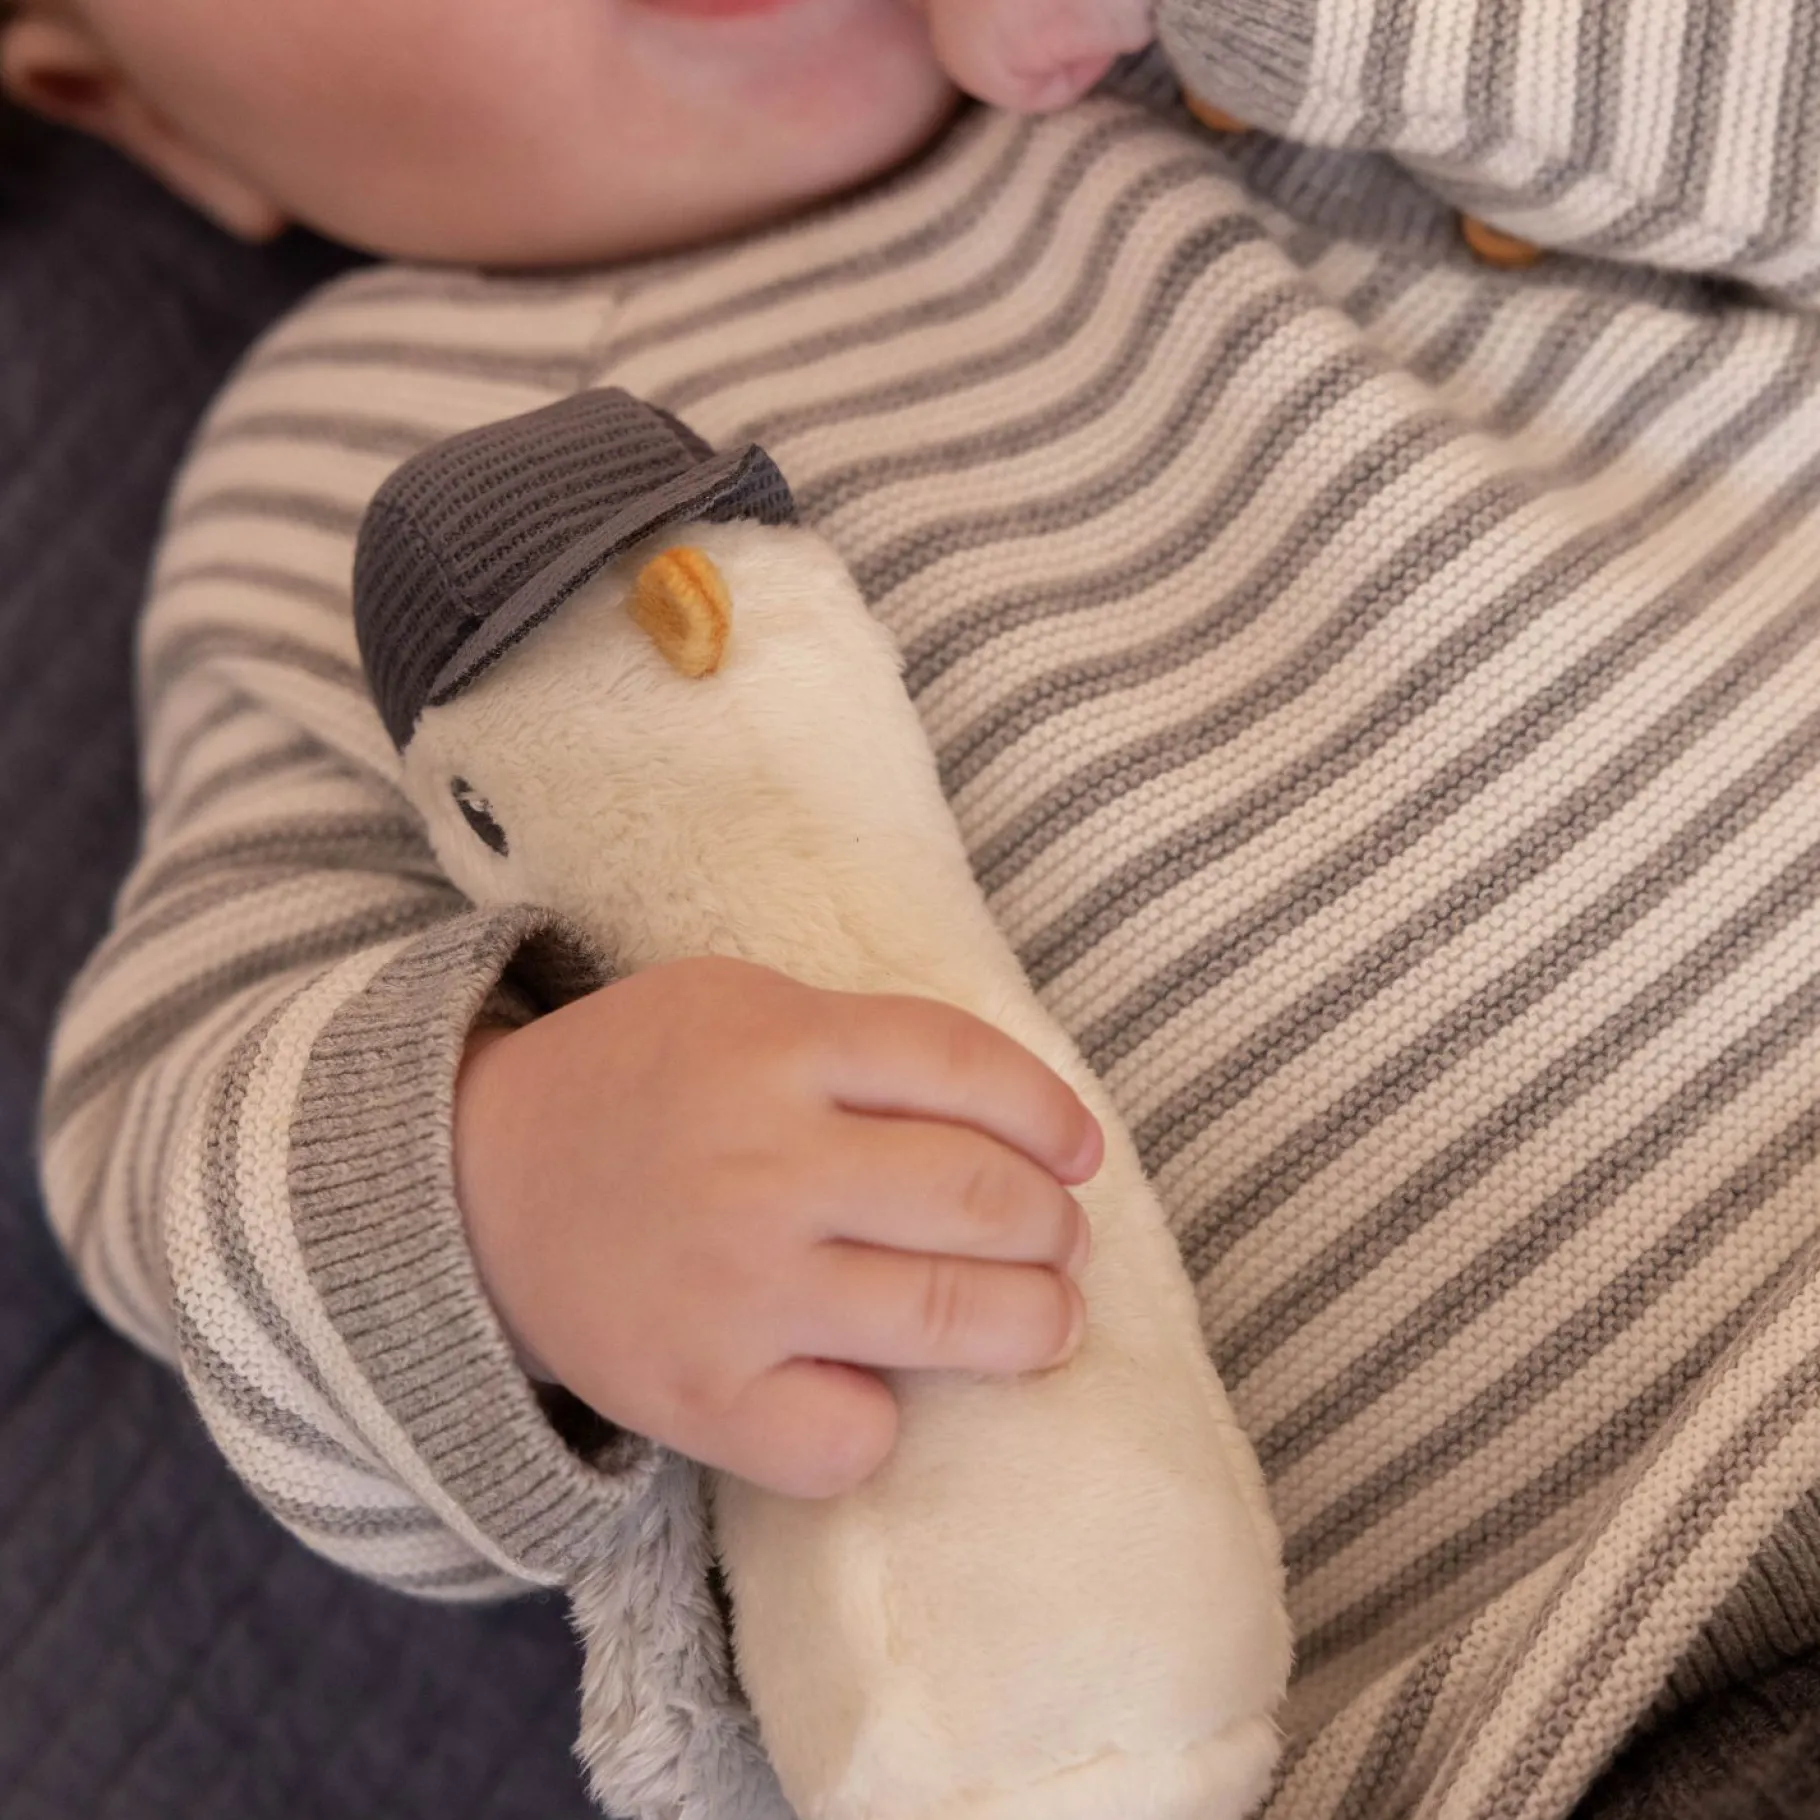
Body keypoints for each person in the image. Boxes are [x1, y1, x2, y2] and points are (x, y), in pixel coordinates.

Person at [8, 0, 1820, 1816]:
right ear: (138, 108)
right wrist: (508, 1188)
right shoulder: (358, 467)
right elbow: (177, 1121)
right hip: (1530, 1711)